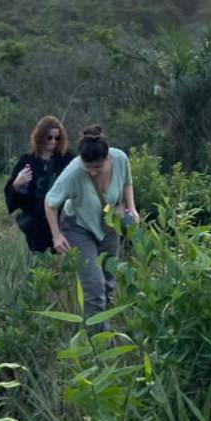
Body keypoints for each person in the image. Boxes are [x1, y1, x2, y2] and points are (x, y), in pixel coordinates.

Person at [45, 125, 140, 320]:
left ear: (107, 158)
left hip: (109, 225)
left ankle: (110, 335)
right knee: (94, 287)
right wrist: (56, 235)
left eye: (97, 167)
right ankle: (97, 342)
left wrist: (132, 208)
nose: (92, 172)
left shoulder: (120, 159)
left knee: (108, 283)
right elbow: (50, 202)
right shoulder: (73, 172)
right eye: (87, 167)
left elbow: (127, 183)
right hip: (79, 227)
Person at [4, 115, 75, 252]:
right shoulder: (27, 161)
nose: (53, 141)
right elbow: (11, 195)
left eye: (57, 138)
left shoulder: (67, 159)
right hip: (35, 223)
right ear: (40, 137)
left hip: (62, 220)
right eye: (49, 137)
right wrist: (17, 184)